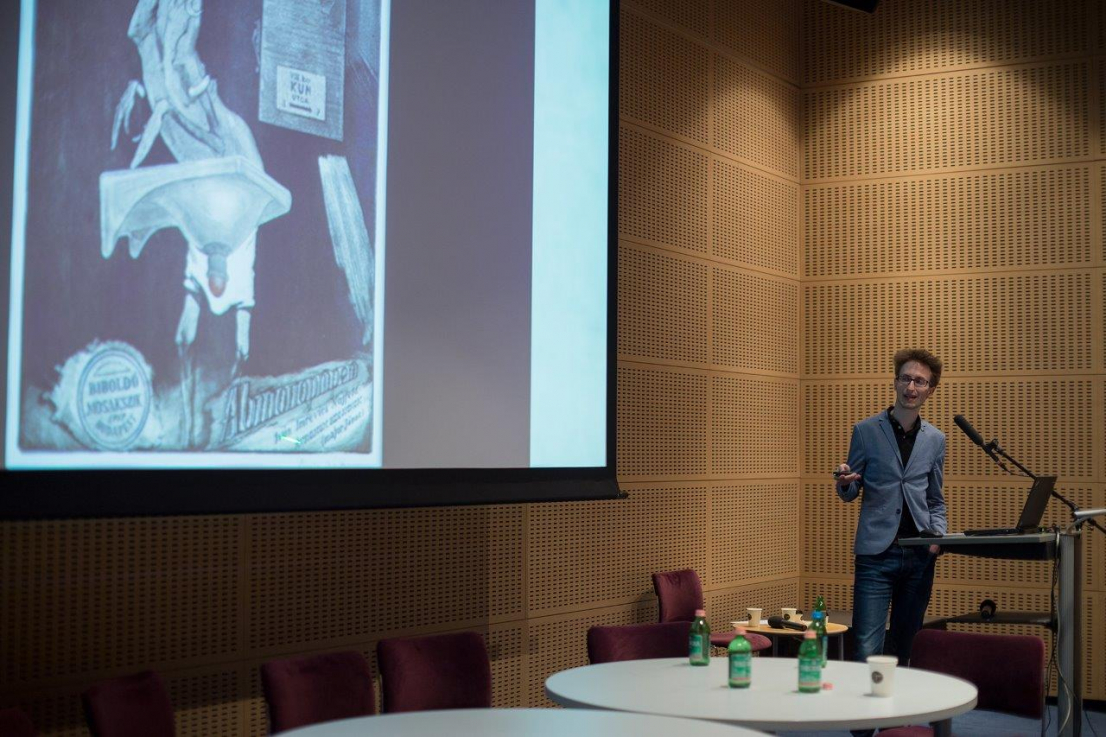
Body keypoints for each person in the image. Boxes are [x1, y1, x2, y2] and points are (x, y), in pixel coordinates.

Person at [835, 348, 946, 669]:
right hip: (876, 556)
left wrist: (937, 537)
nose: (911, 387)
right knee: (867, 647)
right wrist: (844, 482)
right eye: (906, 378)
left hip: (919, 555)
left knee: (904, 646)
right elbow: (850, 489)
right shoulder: (866, 431)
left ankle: (896, 704)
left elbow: (935, 498)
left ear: (930, 390)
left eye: (920, 381)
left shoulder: (936, 439)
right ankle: (864, 705)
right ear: (895, 382)